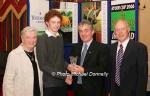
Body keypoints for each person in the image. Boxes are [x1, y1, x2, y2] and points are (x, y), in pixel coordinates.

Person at [67, 20, 110, 96]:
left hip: (94, 91)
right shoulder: (75, 47)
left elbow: (103, 69)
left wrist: (84, 70)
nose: (83, 34)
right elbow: (72, 64)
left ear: (92, 31)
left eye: (86, 31)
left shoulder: (102, 48)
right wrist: (69, 72)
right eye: (80, 31)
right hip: (77, 90)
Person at [36, 9, 72, 96]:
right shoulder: (42, 39)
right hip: (50, 84)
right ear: (47, 23)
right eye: (53, 22)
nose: (56, 25)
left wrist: (69, 66)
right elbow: (43, 65)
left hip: (62, 82)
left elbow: (60, 59)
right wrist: (64, 76)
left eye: (58, 22)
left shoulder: (60, 37)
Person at [110, 19, 148, 96]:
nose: (120, 32)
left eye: (123, 29)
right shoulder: (111, 48)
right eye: (117, 30)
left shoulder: (140, 48)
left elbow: (142, 77)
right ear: (114, 33)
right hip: (114, 91)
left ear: (128, 30)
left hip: (132, 93)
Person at [3, 26, 43, 96]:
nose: (31, 40)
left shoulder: (39, 52)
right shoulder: (14, 55)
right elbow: (8, 81)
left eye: (34, 37)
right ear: (22, 39)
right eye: (28, 37)